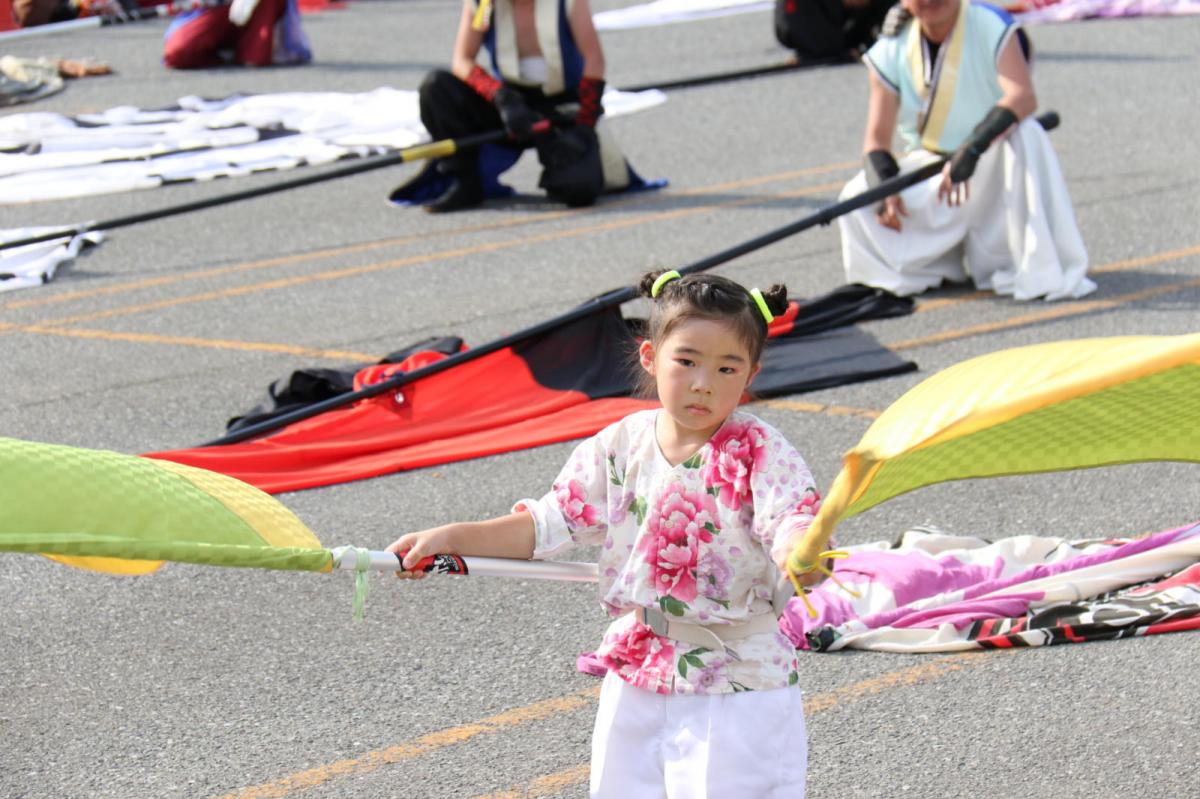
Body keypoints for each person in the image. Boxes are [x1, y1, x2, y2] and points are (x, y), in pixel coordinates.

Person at [387, 270, 826, 797]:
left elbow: (792, 523)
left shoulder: (760, 451)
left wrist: (803, 551)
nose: (704, 382)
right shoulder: (621, 442)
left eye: (726, 367)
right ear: (650, 357)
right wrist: (453, 536)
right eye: (686, 361)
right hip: (639, 671)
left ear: (750, 373)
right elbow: (548, 524)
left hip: (739, 682)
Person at [835, 0, 1096, 300]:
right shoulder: (893, 43)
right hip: (936, 168)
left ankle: (1032, 263)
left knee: (1027, 133)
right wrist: (884, 188)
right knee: (856, 198)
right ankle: (935, 268)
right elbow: (876, 140)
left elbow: (1022, 97)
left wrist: (972, 150)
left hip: (994, 158)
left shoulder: (989, 22)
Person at [394, 0, 643, 213]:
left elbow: (594, 60)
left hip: (558, 107)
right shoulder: (483, 3)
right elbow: (462, 60)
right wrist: (500, 96)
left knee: (579, 191)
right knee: (437, 86)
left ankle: (560, 171)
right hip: (508, 103)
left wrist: (585, 127)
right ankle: (465, 180)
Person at [161, 0, 311, 69]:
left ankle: (250, 46)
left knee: (255, 59)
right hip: (215, 7)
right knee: (178, 52)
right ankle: (223, 49)